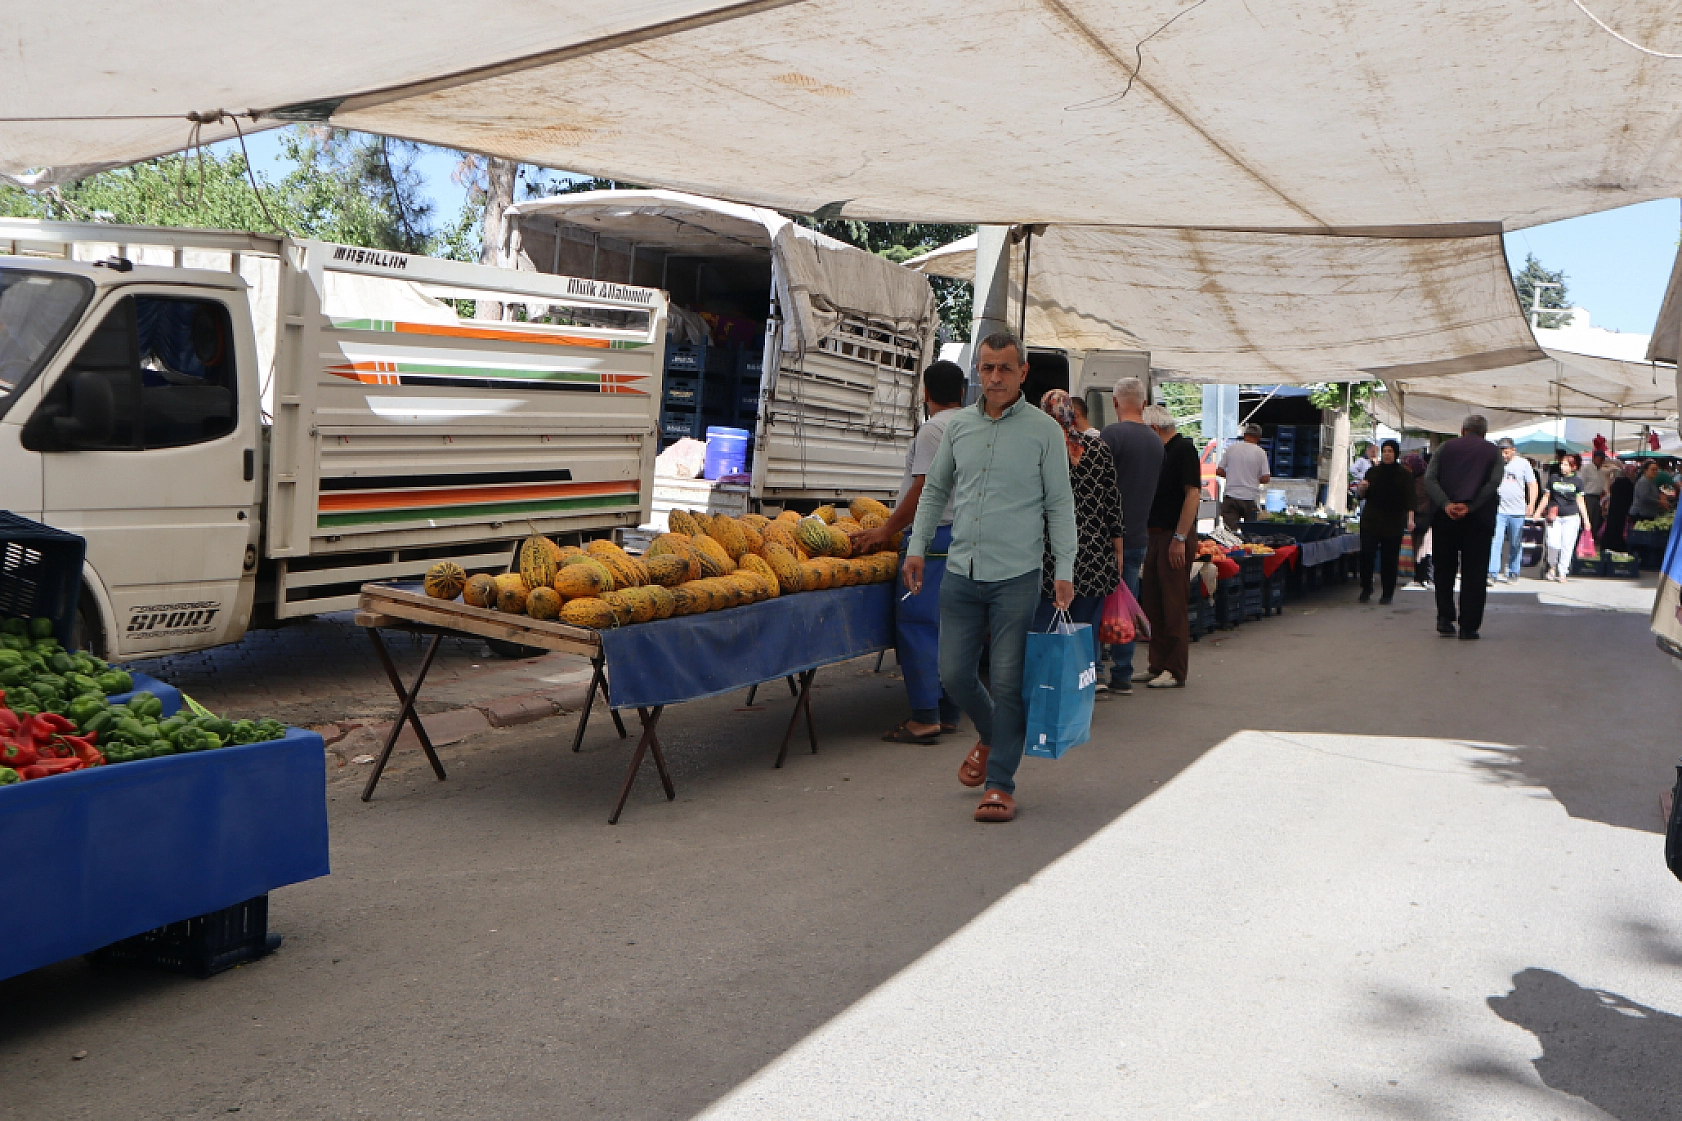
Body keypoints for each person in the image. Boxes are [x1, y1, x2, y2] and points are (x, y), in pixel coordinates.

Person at [905, 332, 1076, 825]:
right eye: (986, 369)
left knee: (1005, 680)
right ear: (976, 373)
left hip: (1016, 574)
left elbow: (1059, 505)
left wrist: (1064, 568)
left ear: (1022, 372)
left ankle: (1001, 782)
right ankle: (991, 733)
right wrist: (916, 549)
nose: (994, 377)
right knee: (954, 674)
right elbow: (934, 491)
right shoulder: (958, 427)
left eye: (1004, 368)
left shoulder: (1043, 431)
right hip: (961, 569)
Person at [861, 360, 965, 744]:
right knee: (953, 628)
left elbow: (923, 488)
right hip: (963, 538)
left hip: (933, 540)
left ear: (925, 393)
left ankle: (925, 717)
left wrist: (886, 529)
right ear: (963, 391)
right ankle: (950, 710)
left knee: (919, 626)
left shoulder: (935, 428)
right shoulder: (971, 423)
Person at [1031, 390, 1122, 669]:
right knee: (1083, 631)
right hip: (1094, 555)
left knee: (1046, 629)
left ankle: (1048, 689)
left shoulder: (1040, 451)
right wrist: (1118, 553)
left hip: (1051, 557)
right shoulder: (1099, 449)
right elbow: (1113, 505)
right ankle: (1083, 690)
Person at [1098, 377, 1163, 695]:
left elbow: (1098, 488)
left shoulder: (1112, 435)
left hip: (1107, 538)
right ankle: (1123, 674)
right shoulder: (1155, 441)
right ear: (1144, 403)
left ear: (1115, 403)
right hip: (1138, 537)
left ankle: (1095, 672)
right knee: (1126, 603)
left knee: (1097, 604)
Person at [1135, 405, 1202, 688]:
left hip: (1174, 535)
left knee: (1173, 603)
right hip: (1154, 535)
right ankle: (1157, 663)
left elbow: (1193, 494)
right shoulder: (1158, 453)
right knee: (1152, 599)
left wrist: (1180, 537)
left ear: (1153, 429)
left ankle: (1175, 669)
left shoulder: (1183, 449)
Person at [1423, 414, 1504, 640]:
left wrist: (1447, 504)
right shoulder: (1493, 451)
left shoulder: (1445, 448)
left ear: (1462, 430)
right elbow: (1494, 482)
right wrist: (1471, 506)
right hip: (1479, 520)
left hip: (1445, 518)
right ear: (1484, 433)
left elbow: (1430, 479)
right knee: (1474, 573)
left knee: (1444, 569)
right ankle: (1468, 626)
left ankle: (1444, 618)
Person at [1356, 439, 1415, 604]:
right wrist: (1362, 488)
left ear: (1396, 453)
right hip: (1371, 519)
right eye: (1385, 450)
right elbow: (1362, 495)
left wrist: (1410, 519)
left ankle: (1387, 592)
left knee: (1389, 558)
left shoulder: (1404, 474)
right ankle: (1366, 588)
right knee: (1367, 554)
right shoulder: (1373, 472)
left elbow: (1410, 499)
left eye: (1390, 451)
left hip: (1393, 520)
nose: (1387, 454)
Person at [1488, 438, 1537, 584]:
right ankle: (1492, 572)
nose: (1504, 455)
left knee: (1515, 542)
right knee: (1495, 541)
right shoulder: (1495, 464)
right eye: (1501, 452)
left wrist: (1532, 503)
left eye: (1506, 452)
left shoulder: (1523, 464)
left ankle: (1513, 571)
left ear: (1513, 450)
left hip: (1517, 510)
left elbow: (1532, 485)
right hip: (1499, 510)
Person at [1542, 453, 1591, 582]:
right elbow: (1546, 497)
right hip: (1555, 517)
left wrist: (1586, 519)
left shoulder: (1578, 482)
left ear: (1573, 467)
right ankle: (1552, 565)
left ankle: (1563, 571)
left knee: (1567, 545)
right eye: (1561, 464)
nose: (1562, 467)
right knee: (1553, 543)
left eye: (1565, 465)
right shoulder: (1553, 478)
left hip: (1571, 517)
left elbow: (1580, 501)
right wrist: (1538, 511)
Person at [1216, 423, 1271, 530]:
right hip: (1250, 498)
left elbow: (1219, 471)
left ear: (1245, 435)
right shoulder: (1260, 453)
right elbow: (1266, 478)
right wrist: (1253, 479)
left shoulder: (1231, 449)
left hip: (1231, 496)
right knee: (1251, 533)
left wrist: (1232, 476)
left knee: (1230, 534)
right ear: (1258, 438)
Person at [1405, 452, 1434, 587]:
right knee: (1417, 548)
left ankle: (1426, 576)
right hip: (1416, 517)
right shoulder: (1412, 479)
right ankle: (1419, 576)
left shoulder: (1425, 480)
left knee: (1425, 548)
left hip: (1426, 517)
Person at [1603, 462, 1636, 551]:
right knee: (1618, 529)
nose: (1634, 474)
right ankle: (1616, 546)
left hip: (1614, 509)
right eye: (1633, 472)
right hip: (1622, 510)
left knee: (1612, 527)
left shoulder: (1616, 482)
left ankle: (1608, 545)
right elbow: (1629, 499)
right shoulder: (1628, 484)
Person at [1577, 449, 1609, 541]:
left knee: (1595, 520)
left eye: (1603, 459)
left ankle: (1591, 539)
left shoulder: (1601, 471)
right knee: (1587, 519)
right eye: (1600, 458)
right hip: (1588, 497)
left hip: (1597, 498)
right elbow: (1581, 483)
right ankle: (1583, 539)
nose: (1602, 460)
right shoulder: (1586, 469)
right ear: (1594, 458)